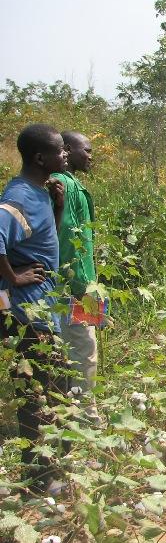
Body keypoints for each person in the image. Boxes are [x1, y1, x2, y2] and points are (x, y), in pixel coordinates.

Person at [0, 123, 69, 493]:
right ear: (41, 158)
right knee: (37, 394)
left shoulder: (40, 193)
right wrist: (14, 277)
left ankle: (50, 469)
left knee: (55, 387)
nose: (65, 154)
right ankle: (39, 480)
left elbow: (42, 241)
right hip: (28, 314)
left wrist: (57, 207)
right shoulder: (19, 196)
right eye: (60, 150)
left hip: (44, 310)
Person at [51, 131, 102, 424]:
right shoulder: (64, 185)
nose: (91, 156)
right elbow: (70, 243)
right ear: (68, 150)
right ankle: (86, 418)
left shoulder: (73, 185)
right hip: (77, 286)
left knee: (83, 347)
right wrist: (85, 290)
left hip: (85, 283)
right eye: (87, 150)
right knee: (83, 349)